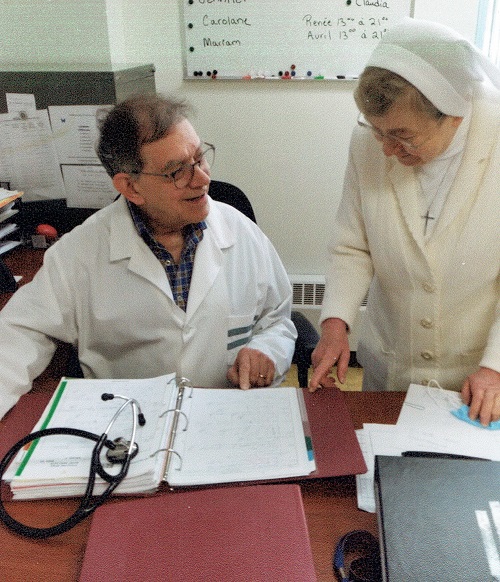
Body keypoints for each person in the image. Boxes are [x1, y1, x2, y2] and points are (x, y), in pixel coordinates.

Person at [0, 94, 296, 420]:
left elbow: (278, 321)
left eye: (200, 158)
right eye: (176, 172)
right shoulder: (79, 254)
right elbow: (16, 337)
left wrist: (267, 351)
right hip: (128, 430)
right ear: (130, 187)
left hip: (227, 418)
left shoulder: (241, 232)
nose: (202, 179)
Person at [309, 18, 500, 426]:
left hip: (479, 376)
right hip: (392, 363)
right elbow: (352, 243)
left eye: (403, 135)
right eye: (378, 132)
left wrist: (495, 367)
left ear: (455, 116)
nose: (389, 149)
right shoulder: (370, 142)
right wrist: (336, 322)